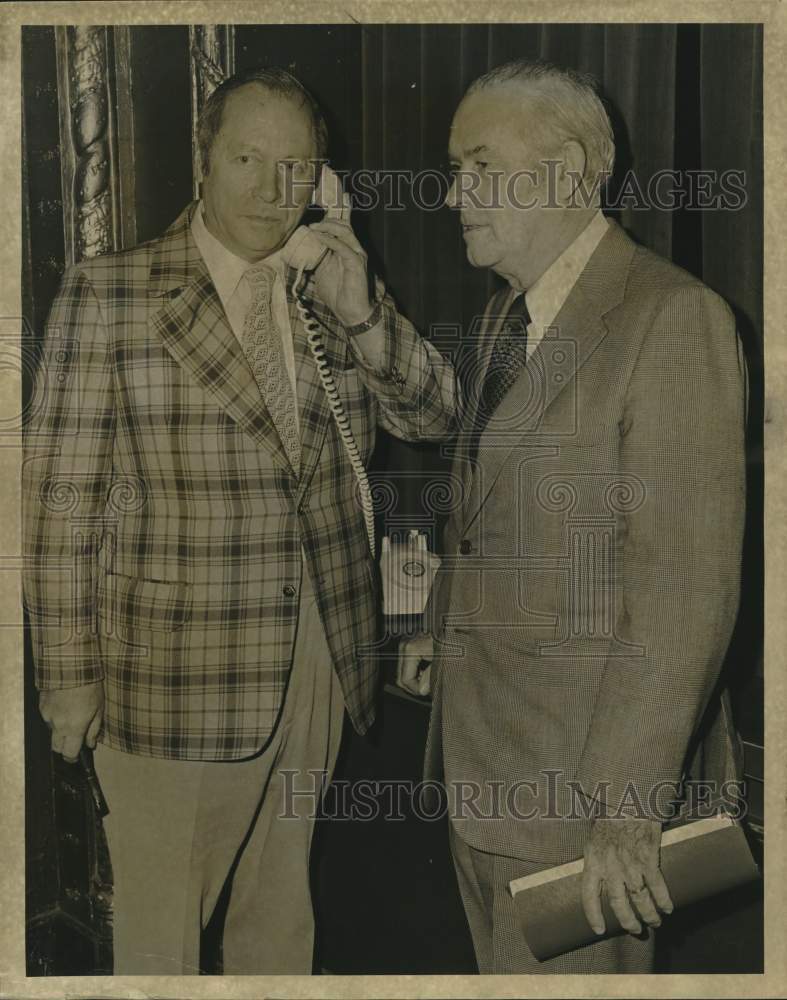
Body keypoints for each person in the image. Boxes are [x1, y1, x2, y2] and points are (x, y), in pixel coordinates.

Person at [23, 66, 456, 975]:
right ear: (204, 162)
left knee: (280, 912)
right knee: (164, 934)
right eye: (248, 158)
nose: (270, 188)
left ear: (322, 181)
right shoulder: (112, 294)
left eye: (295, 167)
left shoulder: (326, 291)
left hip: (319, 653)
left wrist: (364, 307)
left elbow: (437, 417)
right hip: (174, 669)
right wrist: (65, 676)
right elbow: (59, 505)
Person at [398, 58, 747, 973]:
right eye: (452, 168)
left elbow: (683, 591)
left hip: (584, 803)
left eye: (478, 167)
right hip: (481, 770)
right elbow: (477, 512)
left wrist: (629, 812)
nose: (450, 194)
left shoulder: (673, 321)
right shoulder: (503, 316)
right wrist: (442, 622)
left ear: (566, 171)